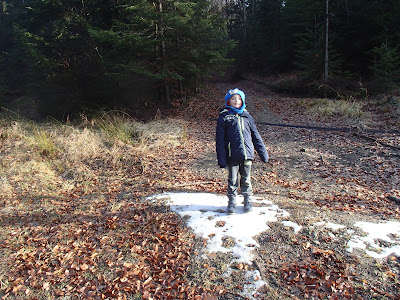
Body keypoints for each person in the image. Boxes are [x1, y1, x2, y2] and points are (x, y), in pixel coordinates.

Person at [216, 88, 269, 215]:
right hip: (232, 155)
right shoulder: (224, 117)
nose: (236, 101)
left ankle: (248, 201)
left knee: (246, 180)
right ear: (228, 101)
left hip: (247, 155)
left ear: (242, 101)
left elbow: (256, 136)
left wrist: (263, 153)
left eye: (239, 99)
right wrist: (222, 159)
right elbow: (220, 141)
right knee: (232, 180)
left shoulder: (247, 116)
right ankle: (232, 203)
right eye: (234, 99)